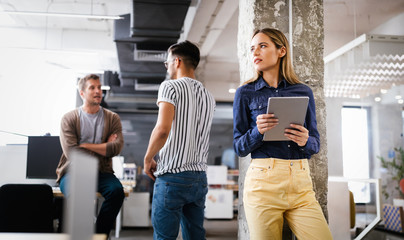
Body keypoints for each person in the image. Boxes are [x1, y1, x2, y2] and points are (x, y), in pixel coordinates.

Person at [233, 28, 333, 240]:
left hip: (301, 184)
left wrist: (306, 140)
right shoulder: (245, 93)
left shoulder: (303, 91)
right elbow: (239, 147)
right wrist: (258, 132)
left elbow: (315, 144)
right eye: (252, 48)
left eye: (262, 46)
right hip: (263, 185)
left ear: (281, 51)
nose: (255, 53)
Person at [143, 40, 216, 240]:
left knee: (165, 236)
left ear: (177, 61)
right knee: (195, 235)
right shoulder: (209, 96)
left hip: (172, 178)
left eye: (167, 63)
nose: (167, 67)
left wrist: (148, 157)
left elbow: (162, 130)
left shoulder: (170, 87)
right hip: (199, 178)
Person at [56, 74, 125, 237]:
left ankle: (98, 235)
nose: (97, 91)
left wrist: (86, 145)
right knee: (77, 197)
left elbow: (116, 148)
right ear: (82, 93)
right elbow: (73, 153)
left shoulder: (112, 118)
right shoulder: (69, 118)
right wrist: (104, 146)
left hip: (102, 172)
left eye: (99, 87)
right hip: (74, 171)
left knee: (117, 192)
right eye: (92, 88)